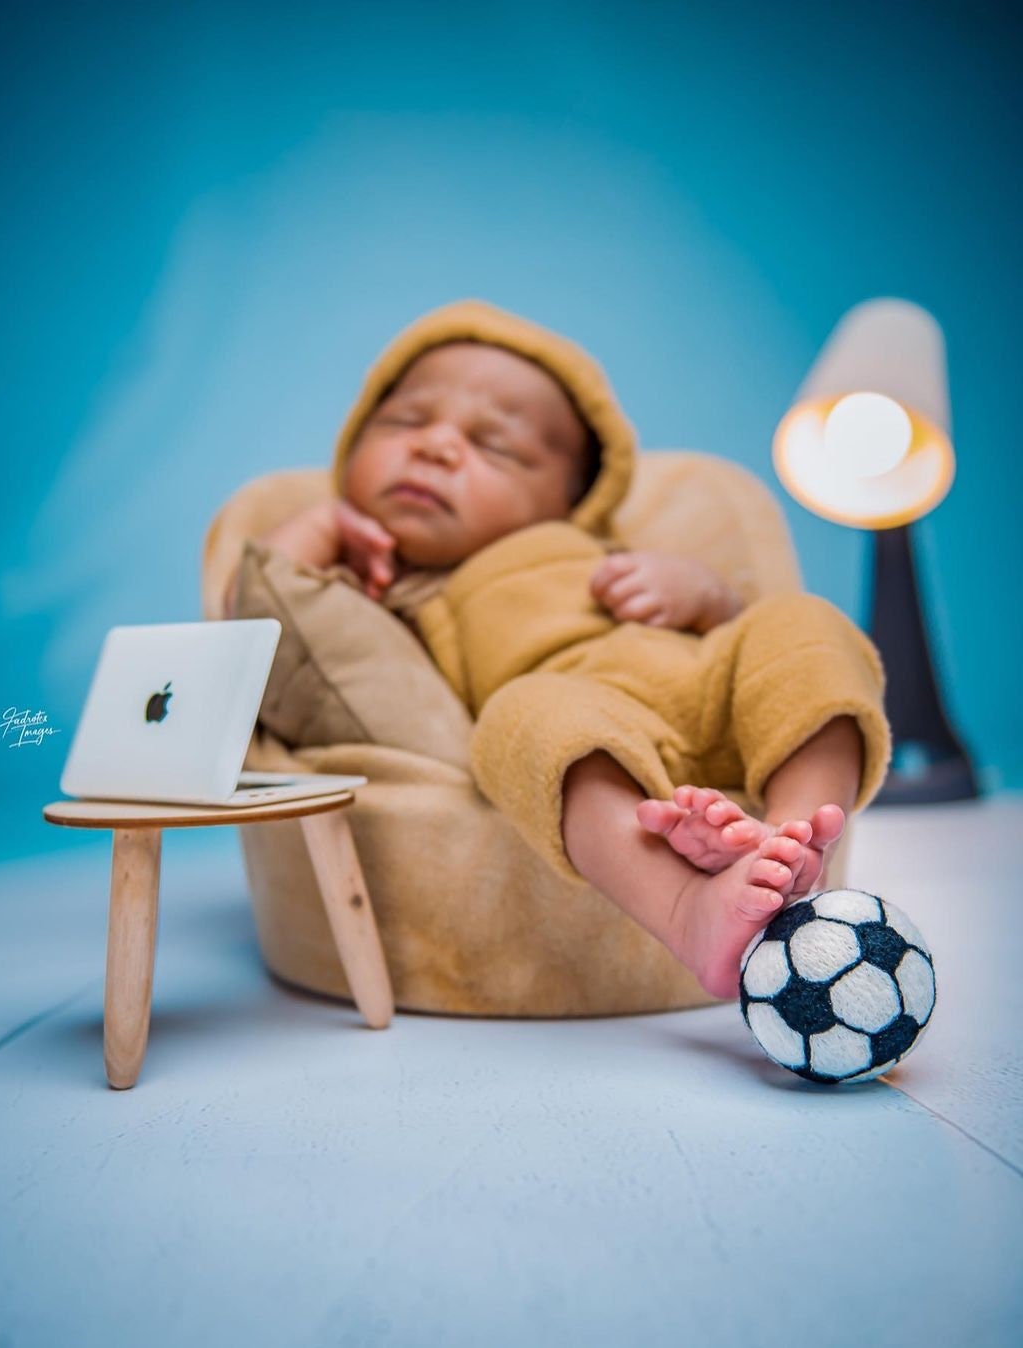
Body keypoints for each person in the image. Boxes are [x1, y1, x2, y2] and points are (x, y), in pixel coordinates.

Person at [222, 299, 891, 1001]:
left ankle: (790, 841)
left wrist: (700, 594)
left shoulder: (602, 549)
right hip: (594, 751)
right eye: (405, 422)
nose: (436, 446)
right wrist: (325, 522)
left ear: (570, 500)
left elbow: (748, 646)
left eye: (497, 446)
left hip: (710, 691)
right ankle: (685, 910)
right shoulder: (394, 591)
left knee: (802, 624)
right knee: (523, 712)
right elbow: (271, 606)